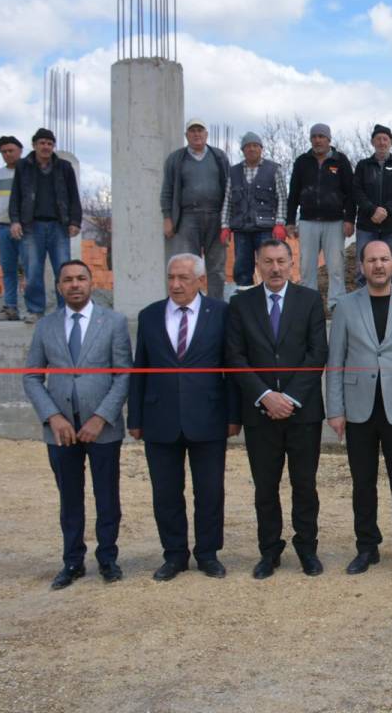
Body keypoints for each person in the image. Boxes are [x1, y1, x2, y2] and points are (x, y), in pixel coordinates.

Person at [128, 254, 242, 581]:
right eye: (171, 278)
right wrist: (135, 418)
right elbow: (140, 369)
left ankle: (208, 554)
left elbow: (232, 368)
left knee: (209, 492)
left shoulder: (221, 313)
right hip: (159, 419)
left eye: (184, 278)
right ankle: (174, 555)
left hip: (208, 417)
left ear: (201, 281)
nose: (176, 285)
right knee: (166, 493)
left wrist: (234, 415)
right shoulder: (149, 315)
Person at [326, 241, 392, 578]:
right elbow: (335, 362)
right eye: (371, 260)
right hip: (358, 408)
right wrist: (335, 410)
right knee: (363, 482)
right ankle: (366, 546)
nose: (378, 265)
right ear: (361, 266)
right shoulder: (345, 306)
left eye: (384, 259)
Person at [22, 260, 131, 589]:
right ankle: (72, 561)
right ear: (59, 286)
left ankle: (108, 558)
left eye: (81, 278)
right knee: (69, 498)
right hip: (61, 430)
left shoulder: (113, 322)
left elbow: (124, 374)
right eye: (67, 280)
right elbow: (31, 376)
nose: (74, 284)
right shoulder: (46, 326)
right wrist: (52, 416)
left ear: (91, 282)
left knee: (107, 496)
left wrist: (101, 417)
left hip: (103, 428)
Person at [225, 239, 329, 579]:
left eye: (281, 261)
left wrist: (290, 397)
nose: (275, 268)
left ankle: (307, 549)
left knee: (304, 485)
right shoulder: (240, 304)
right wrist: (266, 395)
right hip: (260, 413)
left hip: (303, 413)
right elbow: (235, 357)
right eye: (268, 261)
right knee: (265, 488)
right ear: (257, 264)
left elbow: (317, 353)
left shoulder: (309, 300)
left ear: (291, 263)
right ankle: (269, 551)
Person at [9, 127, 82, 323]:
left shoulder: (64, 167)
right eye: (42, 143)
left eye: (50, 143)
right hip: (31, 226)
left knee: (63, 270)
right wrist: (15, 221)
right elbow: (15, 196)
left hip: (59, 226)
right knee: (32, 271)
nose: (46, 147)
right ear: (34, 145)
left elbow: (74, 196)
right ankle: (35, 310)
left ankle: (65, 311)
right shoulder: (23, 166)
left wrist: (75, 221)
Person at [286, 123, 356, 308]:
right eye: (314, 136)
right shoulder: (302, 161)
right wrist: (290, 220)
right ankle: (308, 305)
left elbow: (350, 193)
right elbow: (293, 193)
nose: (317, 140)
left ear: (329, 139)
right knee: (306, 267)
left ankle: (336, 305)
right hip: (308, 221)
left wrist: (350, 219)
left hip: (335, 221)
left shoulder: (340, 161)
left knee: (336, 267)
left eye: (321, 136)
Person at [161, 119, 230, 298]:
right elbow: (167, 190)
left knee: (217, 267)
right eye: (192, 131)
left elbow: (230, 189)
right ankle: (189, 304)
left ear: (206, 134)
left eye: (200, 130)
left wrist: (228, 222)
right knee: (187, 266)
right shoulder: (176, 159)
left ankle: (216, 306)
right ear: (186, 135)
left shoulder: (219, 156)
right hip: (187, 218)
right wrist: (167, 218)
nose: (196, 134)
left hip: (216, 217)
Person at [220, 132, 288, 292]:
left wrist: (280, 223)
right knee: (242, 269)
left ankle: (272, 297)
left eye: (255, 146)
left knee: (270, 265)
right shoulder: (233, 172)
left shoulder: (274, 169)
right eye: (248, 146)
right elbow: (227, 200)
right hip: (241, 229)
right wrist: (224, 226)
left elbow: (282, 197)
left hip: (266, 229)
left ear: (261, 148)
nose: (251, 149)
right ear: (243, 150)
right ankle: (245, 297)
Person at [352, 124, 392, 288]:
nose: (382, 142)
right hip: (367, 225)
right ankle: (362, 298)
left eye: (385, 139)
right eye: (378, 139)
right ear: (373, 142)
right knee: (363, 266)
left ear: (391, 142)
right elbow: (357, 191)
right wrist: (373, 210)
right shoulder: (363, 165)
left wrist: (386, 211)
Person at [0, 135, 23, 321]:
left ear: (20, 151)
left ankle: (34, 309)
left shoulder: (28, 171)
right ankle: (10, 308)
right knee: (8, 269)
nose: (8, 154)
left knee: (30, 269)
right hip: (3, 227)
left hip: (25, 227)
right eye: (4, 152)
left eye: (11, 150)